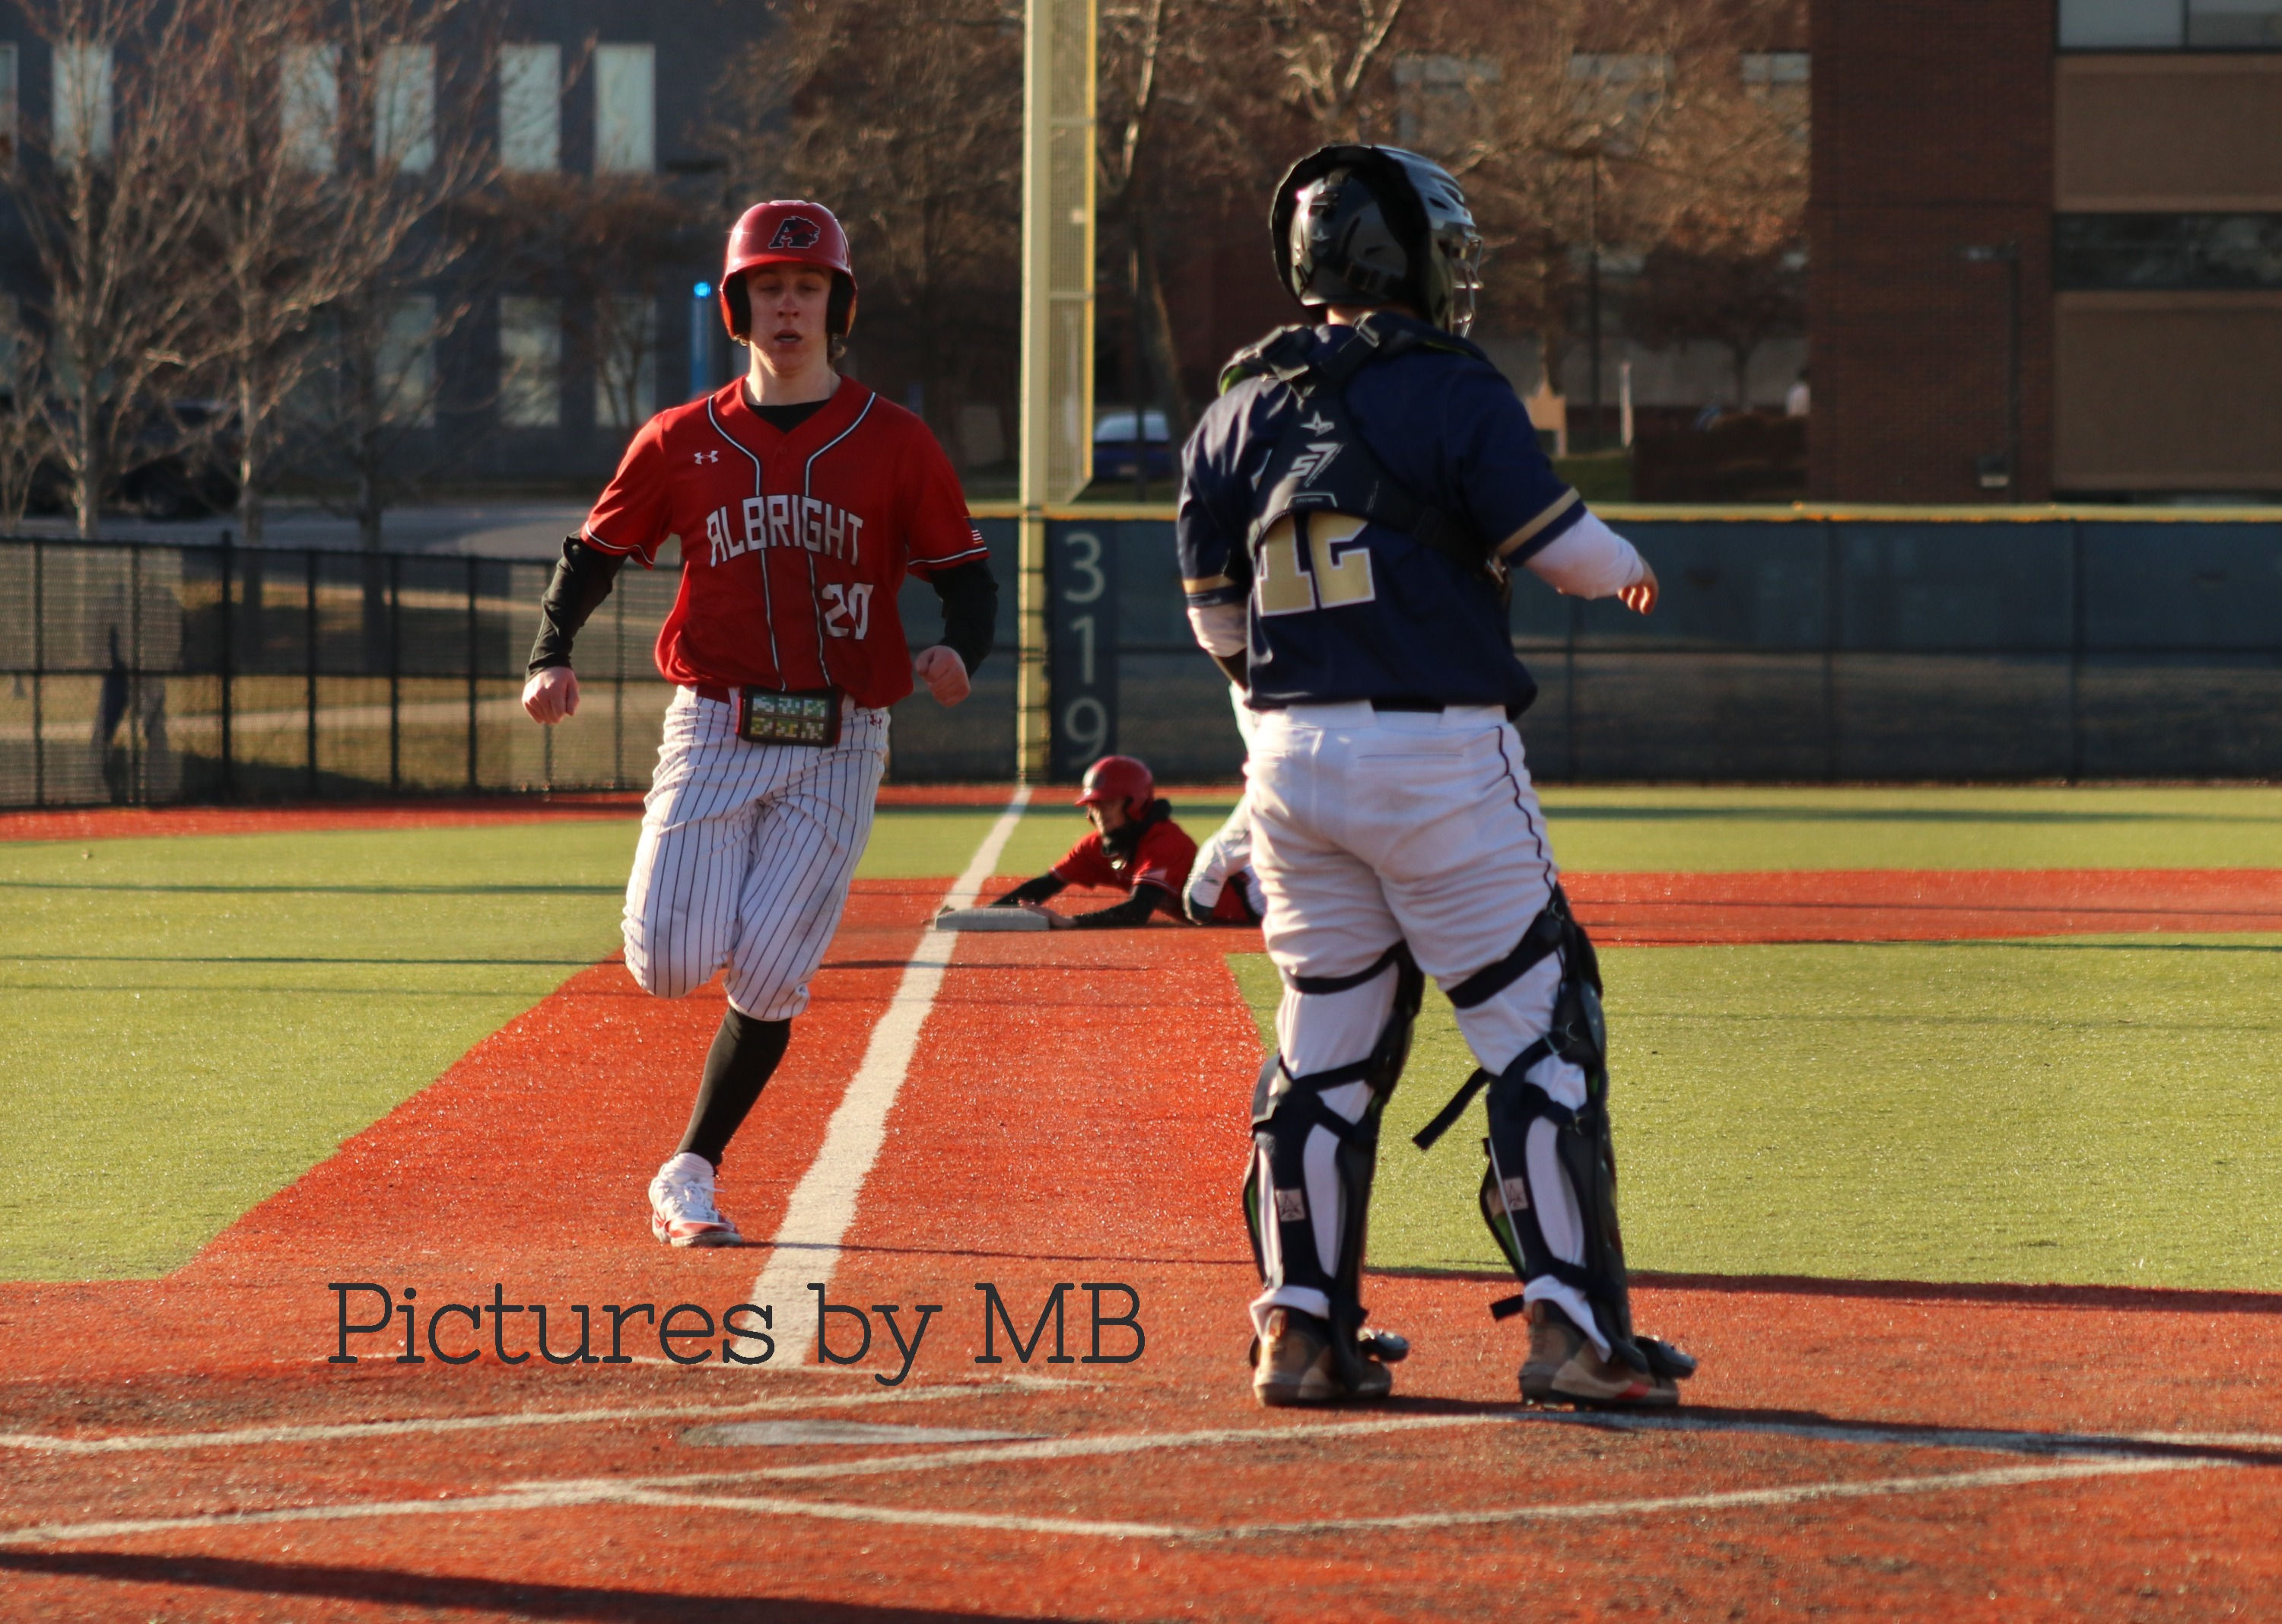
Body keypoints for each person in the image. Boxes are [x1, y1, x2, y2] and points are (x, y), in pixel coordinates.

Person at [1178, 145, 1696, 1409]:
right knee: (1541, 1035)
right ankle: (1573, 1334)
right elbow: (1566, 551)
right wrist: (1627, 562)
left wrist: (1296, 717)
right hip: (1437, 757)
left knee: (1325, 1049)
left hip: (1286, 762)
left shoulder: (1235, 406)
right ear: (1402, 254)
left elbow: (1218, 623)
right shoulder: (1451, 385)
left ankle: (1300, 1333)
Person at [522, 199, 997, 1247]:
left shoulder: (896, 440)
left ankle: (690, 1167)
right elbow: (594, 553)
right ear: (739, 308)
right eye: (769, 288)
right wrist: (551, 650)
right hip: (716, 727)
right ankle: (711, 932)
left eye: (808, 286)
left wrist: (961, 650)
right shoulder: (681, 439)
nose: (789, 305)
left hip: (842, 737)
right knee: (668, 964)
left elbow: (968, 575)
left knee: (775, 971)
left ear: (837, 306)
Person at [989, 754, 1258, 929]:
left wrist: (1070, 921)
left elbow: (1137, 912)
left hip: (1256, 904)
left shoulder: (1164, 841)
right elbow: (1044, 885)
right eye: (1094, 805)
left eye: (1109, 803)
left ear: (1135, 803)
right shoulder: (1096, 846)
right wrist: (986, 915)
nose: (1099, 813)